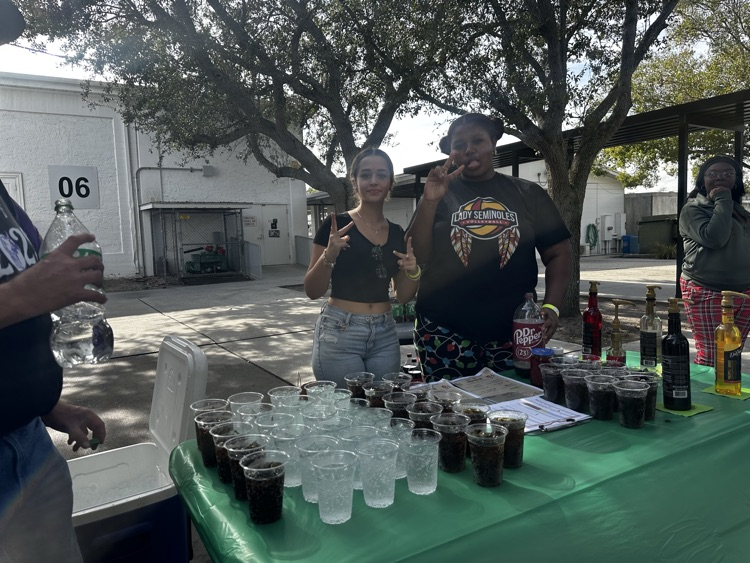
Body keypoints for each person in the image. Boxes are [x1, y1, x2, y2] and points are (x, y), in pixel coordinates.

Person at [406, 113, 572, 380]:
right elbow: (416, 254)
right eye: (459, 144)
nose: (468, 149)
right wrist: (428, 201)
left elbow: (558, 252)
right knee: (448, 414)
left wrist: (552, 307)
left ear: (494, 144)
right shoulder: (438, 193)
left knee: (515, 412)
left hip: (513, 332)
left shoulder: (529, 194)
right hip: (443, 330)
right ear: (451, 152)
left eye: (478, 140)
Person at [304, 148, 419, 386]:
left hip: (385, 334)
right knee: (346, 414)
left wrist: (413, 272)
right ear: (354, 182)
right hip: (340, 331)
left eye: (381, 175)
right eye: (366, 175)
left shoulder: (398, 233)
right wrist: (329, 255)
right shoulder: (336, 226)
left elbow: (404, 296)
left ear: (390, 182)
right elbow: (312, 290)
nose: (373, 181)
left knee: (381, 411)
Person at [679, 155, 750, 366]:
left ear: (736, 181)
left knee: (732, 354)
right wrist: (722, 199)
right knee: (713, 357)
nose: (720, 177)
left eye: (727, 173)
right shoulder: (693, 210)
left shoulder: (740, 212)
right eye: (713, 173)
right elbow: (715, 238)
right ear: (702, 181)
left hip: (743, 291)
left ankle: (727, 395)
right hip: (706, 290)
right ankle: (705, 397)